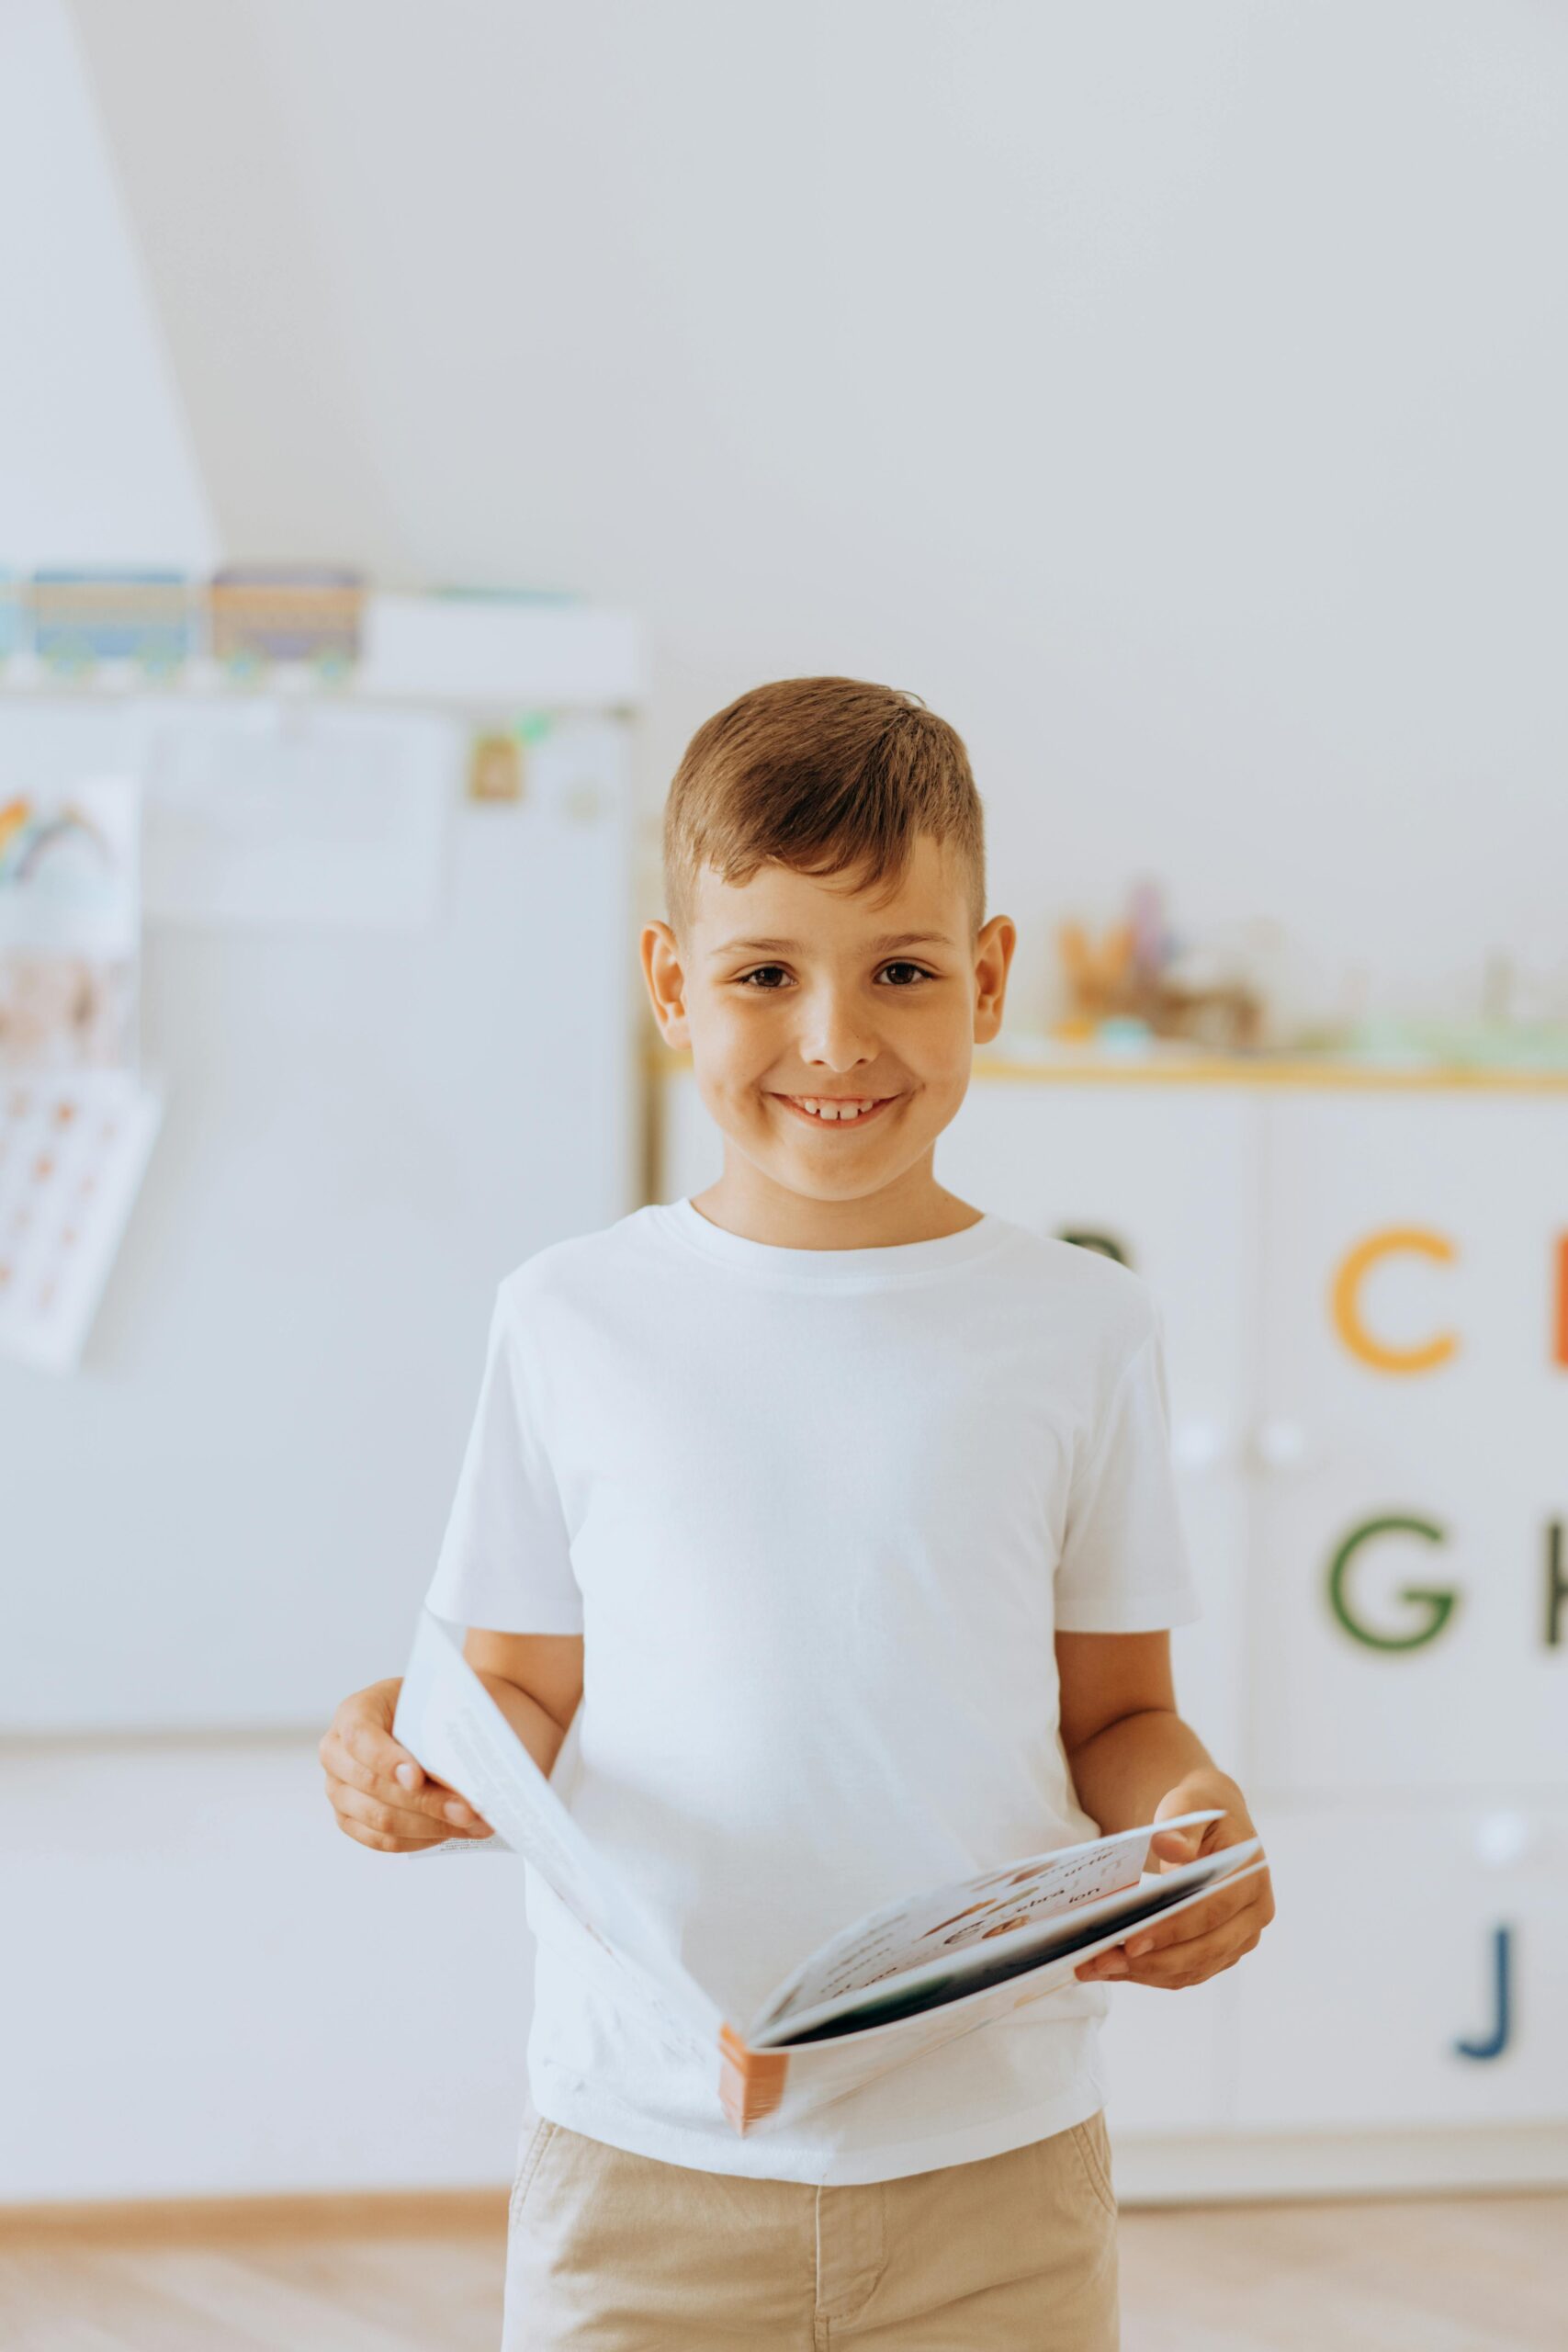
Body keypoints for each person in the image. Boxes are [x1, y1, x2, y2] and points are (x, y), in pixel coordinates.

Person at [320, 675, 1276, 2349]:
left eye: (902, 971)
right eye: (766, 974)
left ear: (985, 981)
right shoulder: (568, 1317)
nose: (837, 1037)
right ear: (673, 988)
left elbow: (1117, 1713)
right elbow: (515, 1697)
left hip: (996, 2167)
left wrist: (1191, 1817)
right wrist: (413, 1760)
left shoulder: (1082, 1327)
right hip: (644, 2160)